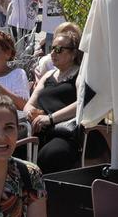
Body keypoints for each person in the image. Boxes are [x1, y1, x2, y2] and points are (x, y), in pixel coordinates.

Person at [24, 22, 101, 173]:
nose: (53, 53)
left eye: (59, 49)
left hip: (64, 132)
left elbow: (81, 103)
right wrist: (29, 112)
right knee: (15, 148)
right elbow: (29, 103)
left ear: (73, 54)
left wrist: (50, 118)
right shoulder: (48, 75)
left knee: (50, 156)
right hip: (39, 129)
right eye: (52, 48)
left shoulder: (80, 75)